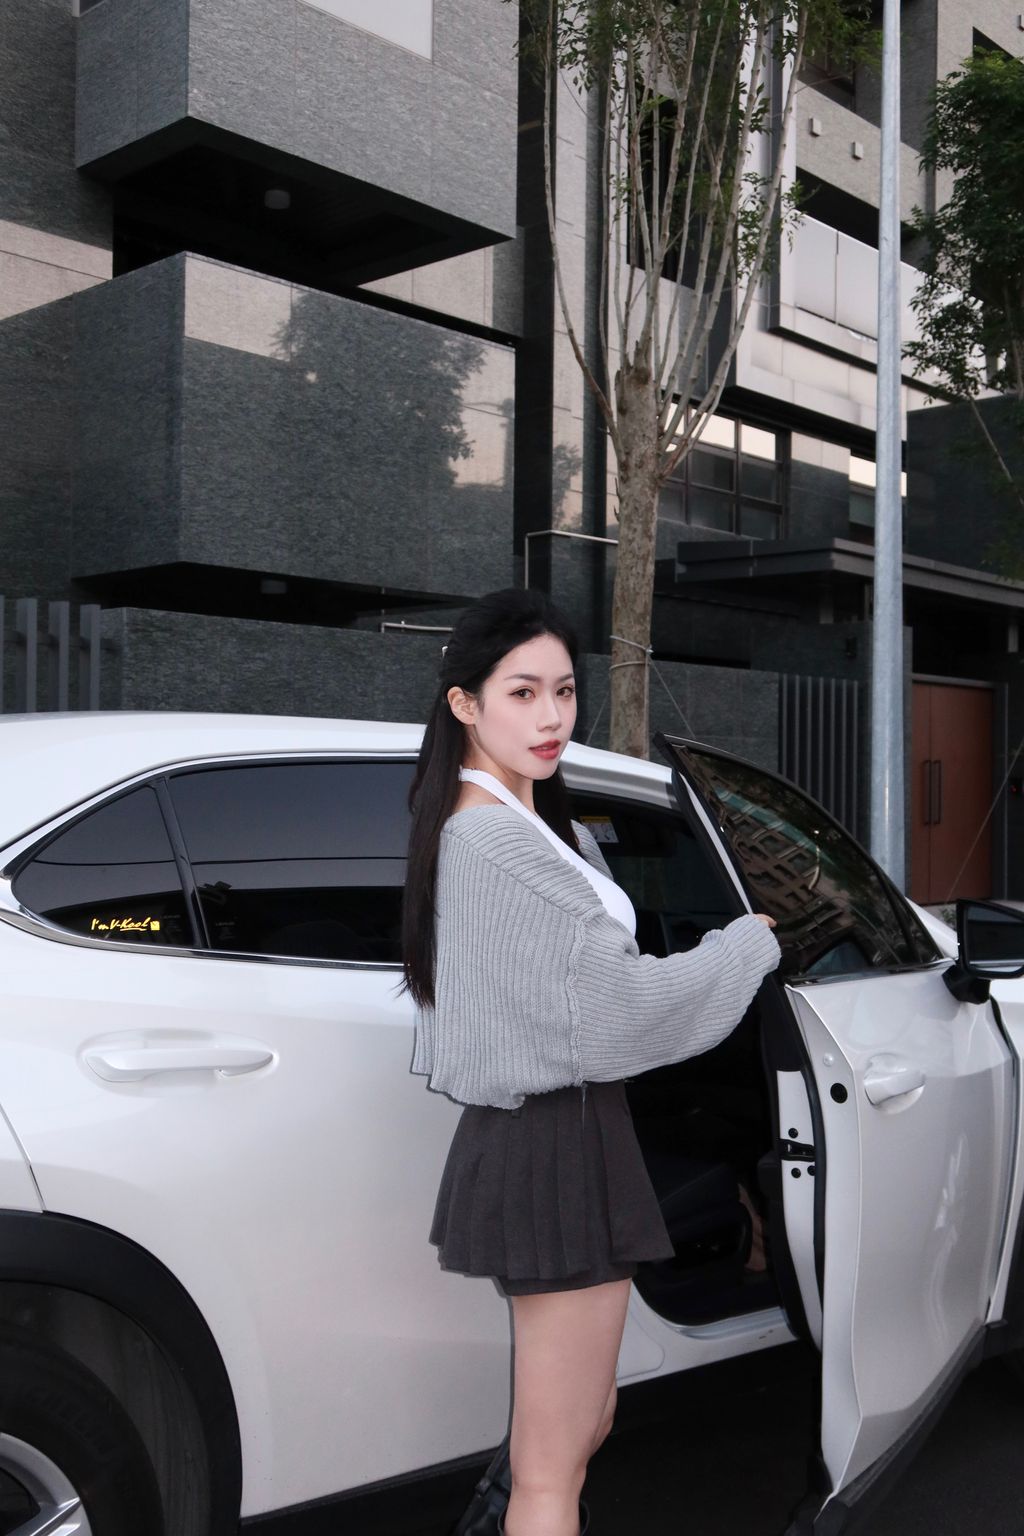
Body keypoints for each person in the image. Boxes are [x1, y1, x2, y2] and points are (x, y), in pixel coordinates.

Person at [401, 588, 781, 1536]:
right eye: (522, 692)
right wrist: (745, 945)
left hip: (569, 1134)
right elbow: (615, 1008)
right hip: (553, 1141)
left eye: (565, 691)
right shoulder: (491, 837)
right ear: (465, 704)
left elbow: (582, 985)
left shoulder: (527, 823)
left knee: (580, 1426)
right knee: (550, 1466)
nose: (551, 717)